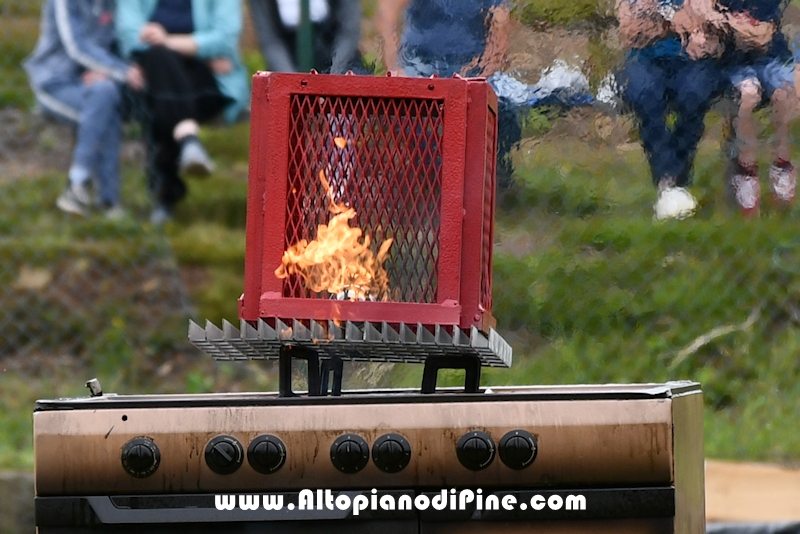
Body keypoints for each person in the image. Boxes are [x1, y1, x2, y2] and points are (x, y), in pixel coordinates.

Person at [115, 0, 250, 224]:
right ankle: (188, 140)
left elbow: (225, 39)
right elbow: (129, 35)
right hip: (159, 75)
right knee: (160, 61)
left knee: (161, 77)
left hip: (207, 83)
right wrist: (196, 51)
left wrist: (167, 41)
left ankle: (165, 195)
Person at [376, 0, 520, 189]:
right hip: (419, 61)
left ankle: (487, 178)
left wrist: (479, 75)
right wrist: (396, 67)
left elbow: (500, 32)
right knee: (410, 109)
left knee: (505, 106)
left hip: (472, 65)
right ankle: (430, 179)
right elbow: (387, 13)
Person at [23, 0, 144, 218]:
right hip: (56, 82)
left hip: (97, 84)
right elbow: (75, 46)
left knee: (105, 94)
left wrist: (107, 71)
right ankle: (106, 199)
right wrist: (122, 72)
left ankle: (80, 187)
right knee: (105, 110)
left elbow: (117, 43)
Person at [615, 0, 726, 220]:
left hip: (693, 60)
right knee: (645, 94)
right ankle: (667, 177)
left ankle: (676, 176)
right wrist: (677, 23)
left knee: (694, 93)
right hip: (643, 58)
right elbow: (630, 31)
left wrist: (660, 23)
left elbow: (713, 27)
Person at [717, 0, 795, 217]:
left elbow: (763, 35)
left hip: (771, 58)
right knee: (749, 95)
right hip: (732, 63)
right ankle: (746, 171)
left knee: (784, 92)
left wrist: (730, 25)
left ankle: (782, 163)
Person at [247, 0, 362, 74]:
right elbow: (270, 40)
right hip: (289, 58)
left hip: (336, 54)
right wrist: (294, 84)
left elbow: (348, 31)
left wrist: (334, 76)